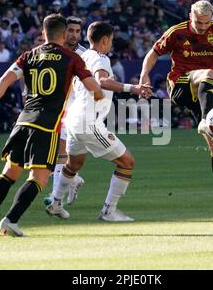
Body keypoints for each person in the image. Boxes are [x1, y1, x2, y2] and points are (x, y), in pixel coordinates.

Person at [0, 14, 103, 237]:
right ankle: (10, 220)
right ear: (64, 35)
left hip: (23, 121)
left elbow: (5, 79)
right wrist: (100, 94)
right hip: (47, 126)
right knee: (39, 178)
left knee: (9, 173)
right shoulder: (72, 58)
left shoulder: (29, 55)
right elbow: (94, 87)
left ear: (43, 33)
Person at [139, 0, 213, 214]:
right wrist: (144, 75)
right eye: (198, 22)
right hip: (180, 86)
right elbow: (153, 53)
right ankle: (205, 121)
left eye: (206, 23)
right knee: (209, 73)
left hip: (203, 94)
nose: (202, 27)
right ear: (190, 15)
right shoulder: (177, 32)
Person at [45, 21, 152, 221]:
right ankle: (109, 211)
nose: (110, 44)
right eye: (110, 40)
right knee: (127, 162)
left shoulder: (82, 56)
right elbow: (102, 81)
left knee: (73, 165)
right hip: (88, 123)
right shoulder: (101, 58)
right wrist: (134, 88)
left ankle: (56, 203)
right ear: (105, 40)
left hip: (74, 121)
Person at [43, 16, 87, 207]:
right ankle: (73, 179)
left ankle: (55, 197)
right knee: (60, 153)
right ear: (63, 31)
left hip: (75, 110)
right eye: (71, 30)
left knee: (61, 151)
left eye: (78, 31)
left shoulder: (85, 55)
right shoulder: (52, 52)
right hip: (55, 107)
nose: (74, 35)